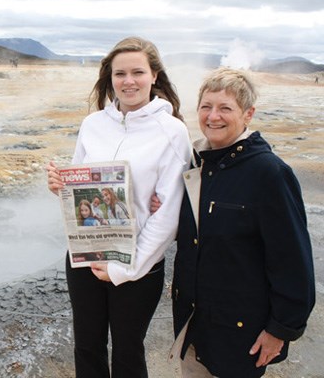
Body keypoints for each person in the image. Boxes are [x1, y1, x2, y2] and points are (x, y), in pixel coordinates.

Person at [46, 36, 191, 377]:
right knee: (87, 346)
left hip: (137, 265)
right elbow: (81, 189)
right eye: (119, 73)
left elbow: (168, 215)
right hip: (85, 257)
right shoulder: (93, 124)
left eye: (137, 72)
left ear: (154, 75)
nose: (128, 81)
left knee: (127, 352)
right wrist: (62, 188)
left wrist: (126, 269)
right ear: (109, 78)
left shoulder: (172, 132)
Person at [170, 67, 315, 377]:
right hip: (194, 326)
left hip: (238, 334)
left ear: (248, 114)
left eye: (225, 108)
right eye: (206, 106)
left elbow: (292, 261)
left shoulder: (269, 173)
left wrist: (280, 330)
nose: (213, 116)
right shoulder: (197, 165)